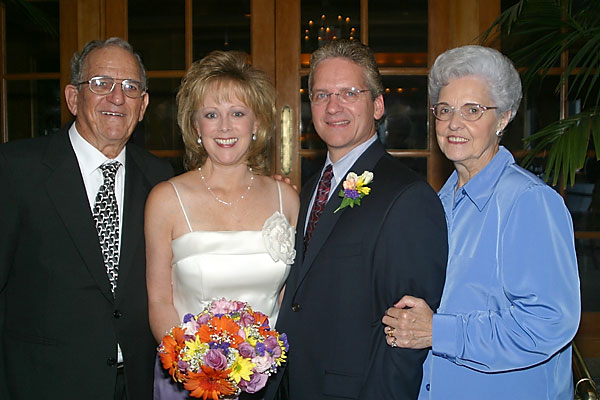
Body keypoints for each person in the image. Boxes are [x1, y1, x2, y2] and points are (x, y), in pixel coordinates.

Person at [382, 45, 581, 399]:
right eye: (445, 110)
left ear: (503, 119)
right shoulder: (439, 202)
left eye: (472, 110)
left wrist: (439, 332)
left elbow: (548, 322)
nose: (454, 123)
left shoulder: (528, 202)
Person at [264, 39, 448, 400]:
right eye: (321, 95)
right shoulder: (310, 189)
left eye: (349, 93)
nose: (333, 107)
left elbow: (406, 336)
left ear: (377, 105)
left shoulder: (407, 197)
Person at [0, 37, 173, 399]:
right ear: (73, 98)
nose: (117, 97)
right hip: (41, 384)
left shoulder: (160, 179)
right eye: (101, 83)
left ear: (143, 105)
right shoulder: (15, 170)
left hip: (135, 385)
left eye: (130, 87)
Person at [145, 50, 299, 399]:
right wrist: (202, 371)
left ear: (256, 123)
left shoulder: (286, 200)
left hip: (268, 384)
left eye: (238, 113)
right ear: (195, 126)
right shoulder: (166, 200)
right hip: (190, 383)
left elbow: (287, 297)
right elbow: (159, 301)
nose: (225, 127)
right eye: (211, 114)